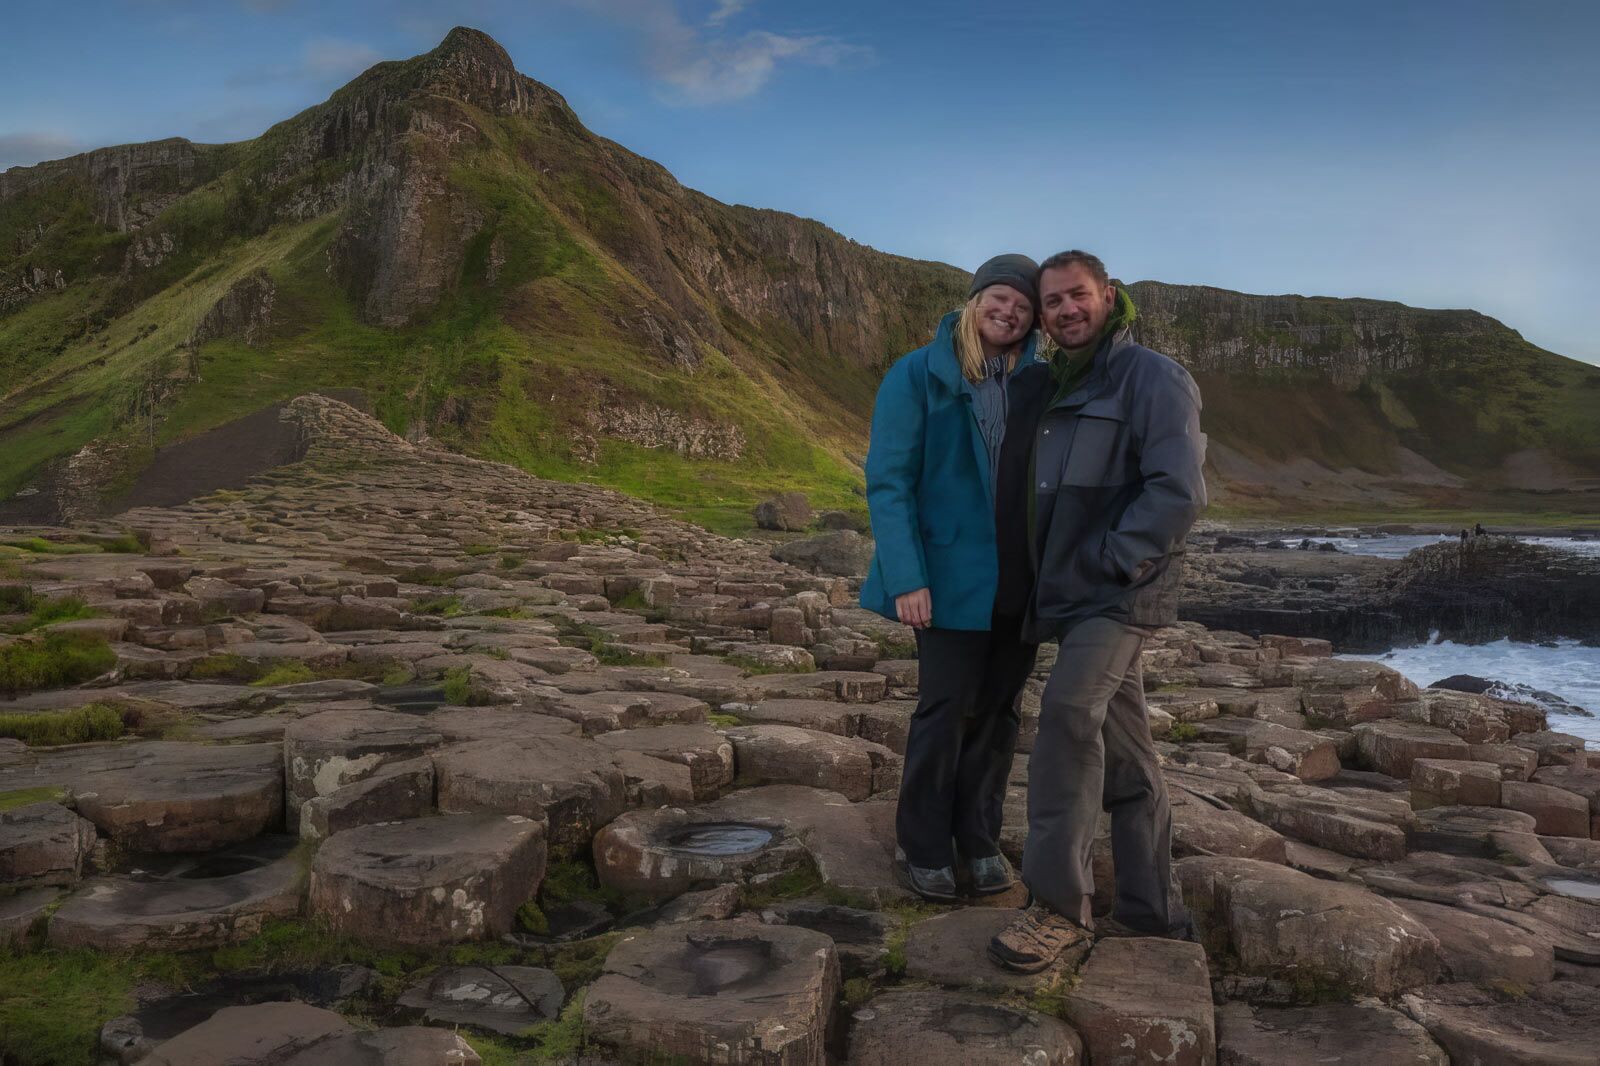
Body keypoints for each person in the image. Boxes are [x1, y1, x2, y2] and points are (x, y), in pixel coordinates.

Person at [988, 250, 1207, 973]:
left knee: (1067, 717)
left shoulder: (1152, 377)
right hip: (1076, 589)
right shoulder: (1054, 381)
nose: (1065, 310)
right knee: (1129, 746)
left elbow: (1177, 490)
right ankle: (1152, 912)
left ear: (1108, 296)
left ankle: (1057, 910)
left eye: (1076, 296)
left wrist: (1114, 560)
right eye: (1052, 303)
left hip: (1120, 589)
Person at [860, 254, 1050, 901]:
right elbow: (889, 482)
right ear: (974, 302)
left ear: (1033, 320)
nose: (1008, 311)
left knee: (998, 715)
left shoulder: (1042, 382)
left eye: (1021, 305)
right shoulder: (918, 373)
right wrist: (908, 578)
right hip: (942, 579)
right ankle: (923, 844)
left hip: (1020, 581)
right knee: (943, 712)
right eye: (998, 298)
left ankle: (979, 838)